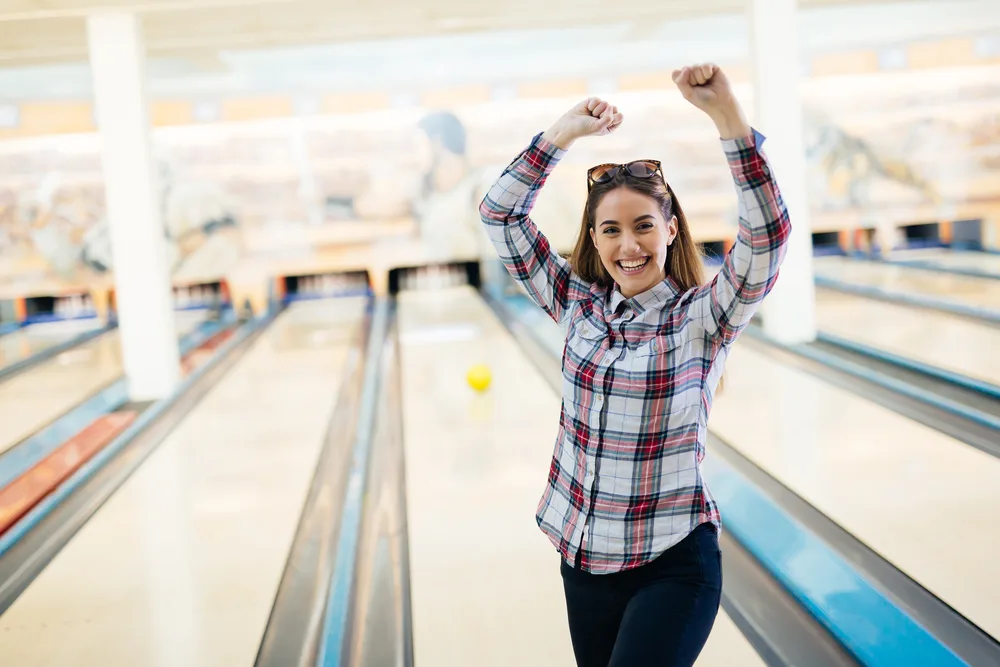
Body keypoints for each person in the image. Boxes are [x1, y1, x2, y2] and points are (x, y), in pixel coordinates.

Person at [478, 63, 790, 666]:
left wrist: (728, 118)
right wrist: (558, 137)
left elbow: (768, 238)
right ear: (593, 240)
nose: (629, 246)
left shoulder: (703, 317)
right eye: (612, 230)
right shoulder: (575, 304)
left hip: (672, 562)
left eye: (645, 226)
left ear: (671, 230)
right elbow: (499, 215)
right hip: (582, 559)